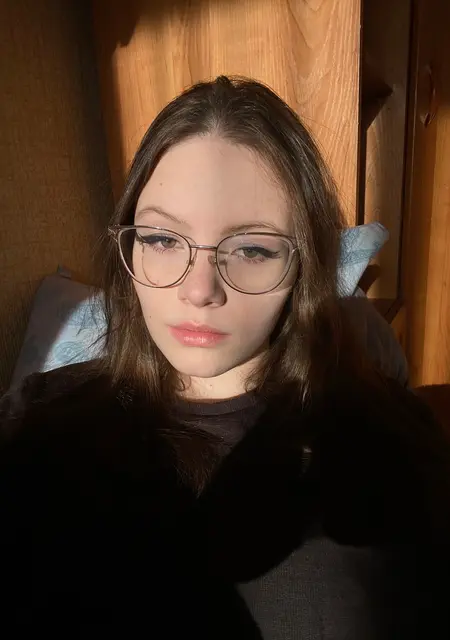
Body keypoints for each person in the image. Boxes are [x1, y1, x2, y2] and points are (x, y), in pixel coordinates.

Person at [1, 76, 450, 639]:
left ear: (304, 266)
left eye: (252, 249)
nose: (199, 290)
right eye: (162, 240)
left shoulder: (391, 447)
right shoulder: (34, 424)